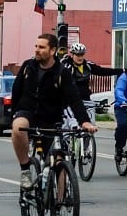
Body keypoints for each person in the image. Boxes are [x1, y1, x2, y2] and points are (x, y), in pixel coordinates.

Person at [11, 33, 96, 189]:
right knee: (17, 127)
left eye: (41, 47)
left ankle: (60, 202)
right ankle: (25, 170)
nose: (37, 50)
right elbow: (16, 91)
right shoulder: (28, 67)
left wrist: (84, 121)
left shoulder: (62, 72)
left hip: (51, 117)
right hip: (28, 112)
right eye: (36, 46)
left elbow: (74, 98)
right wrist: (14, 114)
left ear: (52, 51)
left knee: (59, 159)